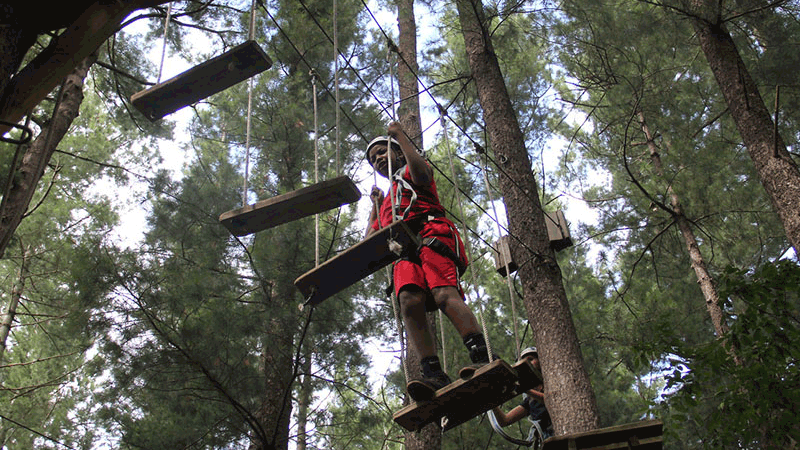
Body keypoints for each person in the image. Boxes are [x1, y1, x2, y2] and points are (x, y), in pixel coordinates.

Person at [365, 121, 492, 401]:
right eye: (374, 159)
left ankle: (481, 355)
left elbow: (422, 174)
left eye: (382, 153)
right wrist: (374, 207)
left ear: (398, 153)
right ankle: (432, 372)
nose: (378, 160)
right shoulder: (386, 201)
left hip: (431, 234)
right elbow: (370, 240)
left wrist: (399, 135)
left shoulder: (411, 172)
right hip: (405, 250)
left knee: (443, 293)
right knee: (409, 301)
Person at [491, 347, 553, 440]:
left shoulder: (552, 384)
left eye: (531, 359)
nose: (529, 364)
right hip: (546, 439)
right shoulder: (530, 400)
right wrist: (491, 403)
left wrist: (525, 389)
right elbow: (505, 420)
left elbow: (551, 401)